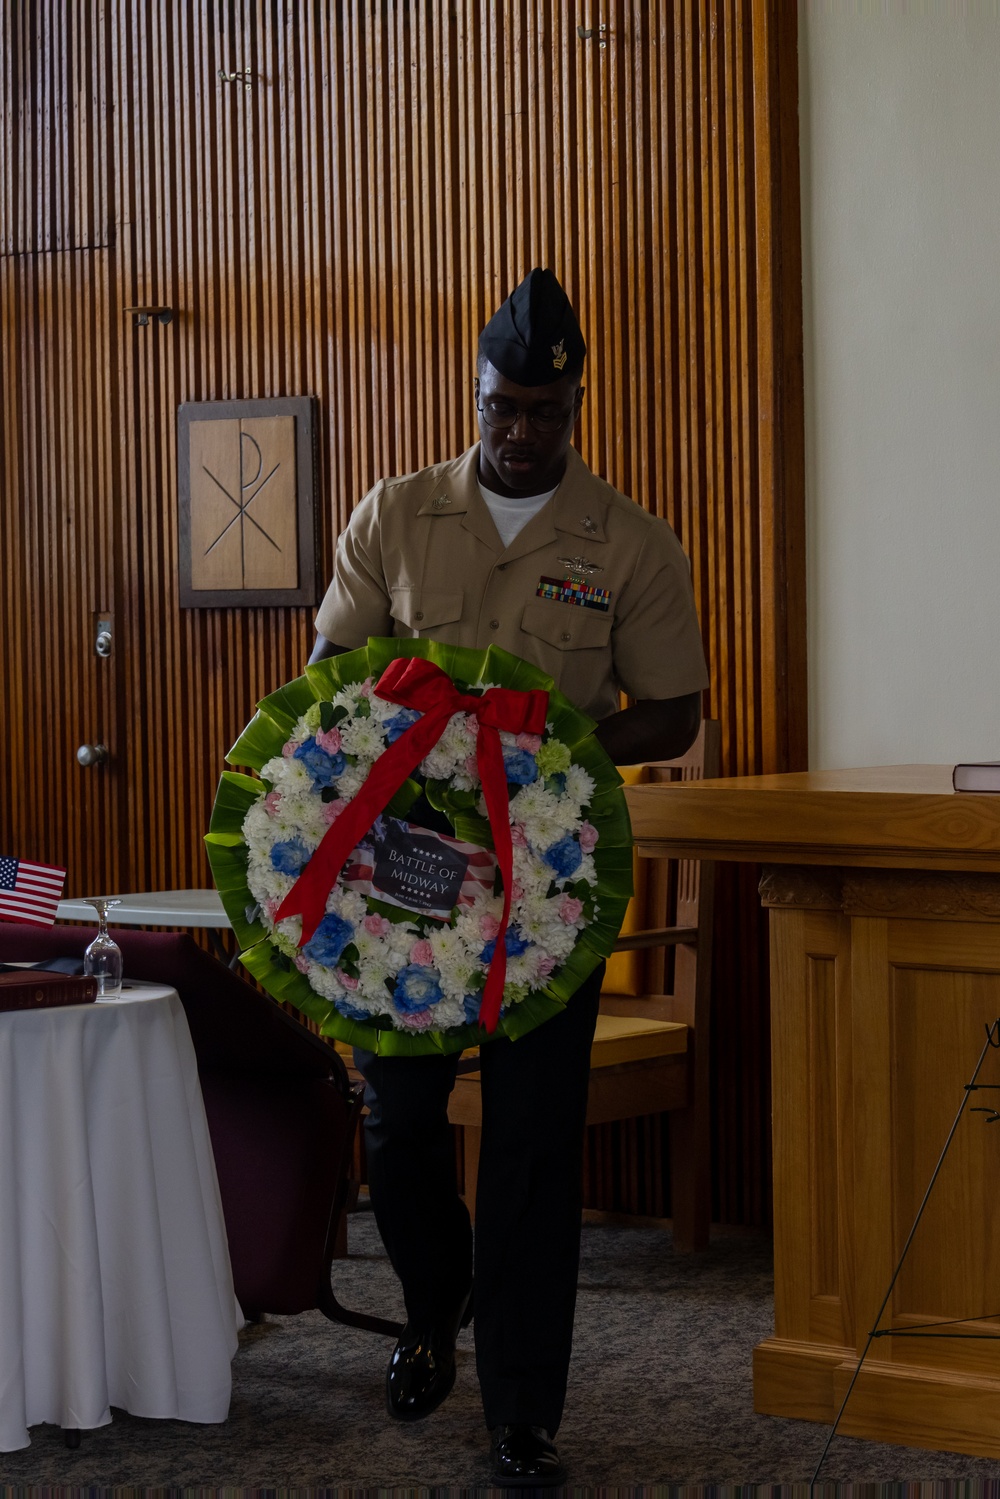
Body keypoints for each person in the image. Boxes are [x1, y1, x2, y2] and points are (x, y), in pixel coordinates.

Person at [309, 268, 708, 1486]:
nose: (519, 432)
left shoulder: (628, 541)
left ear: (575, 403)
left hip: (546, 876)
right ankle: (436, 1311)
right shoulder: (396, 512)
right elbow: (331, 666)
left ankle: (522, 1410)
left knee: (535, 1138)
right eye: (501, 407)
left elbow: (673, 714)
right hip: (405, 873)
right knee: (400, 1115)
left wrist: (542, 743)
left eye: (543, 410)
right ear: (473, 395)